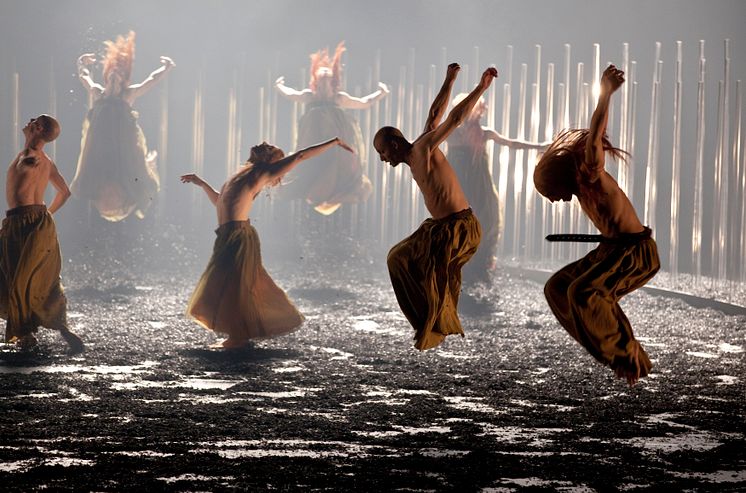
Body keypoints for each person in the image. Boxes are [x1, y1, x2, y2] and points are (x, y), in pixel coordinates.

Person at [533, 65, 660, 386]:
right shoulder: (578, 188)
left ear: (559, 179)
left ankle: (627, 356)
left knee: (585, 292)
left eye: (549, 193)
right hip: (610, 250)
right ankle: (610, 352)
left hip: (635, 252)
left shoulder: (589, 174)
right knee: (558, 288)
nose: (551, 200)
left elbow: (593, 138)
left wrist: (605, 93)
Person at [181, 137, 354, 348]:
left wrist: (333, 143)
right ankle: (238, 334)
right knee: (229, 285)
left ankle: (239, 336)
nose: (281, 174)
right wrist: (202, 184)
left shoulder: (257, 174)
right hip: (227, 236)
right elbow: (220, 201)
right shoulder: (247, 175)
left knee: (234, 286)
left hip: (238, 235)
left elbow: (300, 155)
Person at [373, 64, 497, 351]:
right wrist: (449, 79)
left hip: (460, 227)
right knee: (397, 258)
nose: (382, 159)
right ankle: (426, 322)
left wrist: (480, 88)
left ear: (394, 143)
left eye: (382, 152)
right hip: (439, 227)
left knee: (433, 271)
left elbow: (453, 118)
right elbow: (434, 114)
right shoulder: (416, 151)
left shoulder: (422, 149)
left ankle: (436, 325)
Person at [0, 115, 83, 354]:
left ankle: (25, 333)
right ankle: (59, 326)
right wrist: (46, 215)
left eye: (34, 120)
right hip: (34, 222)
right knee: (38, 277)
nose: (28, 120)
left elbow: (33, 167)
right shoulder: (44, 159)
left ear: (38, 128)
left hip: (24, 223)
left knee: (20, 277)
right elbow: (64, 192)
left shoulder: (33, 157)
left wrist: (41, 215)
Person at [275, 41, 388, 215]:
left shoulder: (338, 97)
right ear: (316, 80)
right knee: (310, 162)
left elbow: (364, 102)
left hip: (335, 138)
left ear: (333, 80)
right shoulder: (310, 96)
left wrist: (381, 93)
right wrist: (279, 86)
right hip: (313, 137)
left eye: (328, 78)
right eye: (321, 78)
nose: (324, 80)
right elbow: (292, 95)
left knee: (337, 160)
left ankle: (334, 185)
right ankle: (313, 183)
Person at [447, 93, 550, 282]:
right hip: (460, 185)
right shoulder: (452, 133)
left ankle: (480, 263)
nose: (480, 114)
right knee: (459, 221)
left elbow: (512, 143)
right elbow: (431, 138)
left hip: (480, 188)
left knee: (486, 220)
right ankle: (459, 263)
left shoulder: (483, 133)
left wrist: (539, 145)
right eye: (476, 110)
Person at [72, 31, 175, 221]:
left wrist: (166, 68)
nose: (113, 77)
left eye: (117, 75)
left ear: (122, 79)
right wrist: (80, 63)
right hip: (101, 139)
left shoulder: (128, 94)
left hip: (122, 139)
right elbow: (84, 77)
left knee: (129, 164)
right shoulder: (99, 93)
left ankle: (142, 173)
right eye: (111, 74)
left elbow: (150, 81)